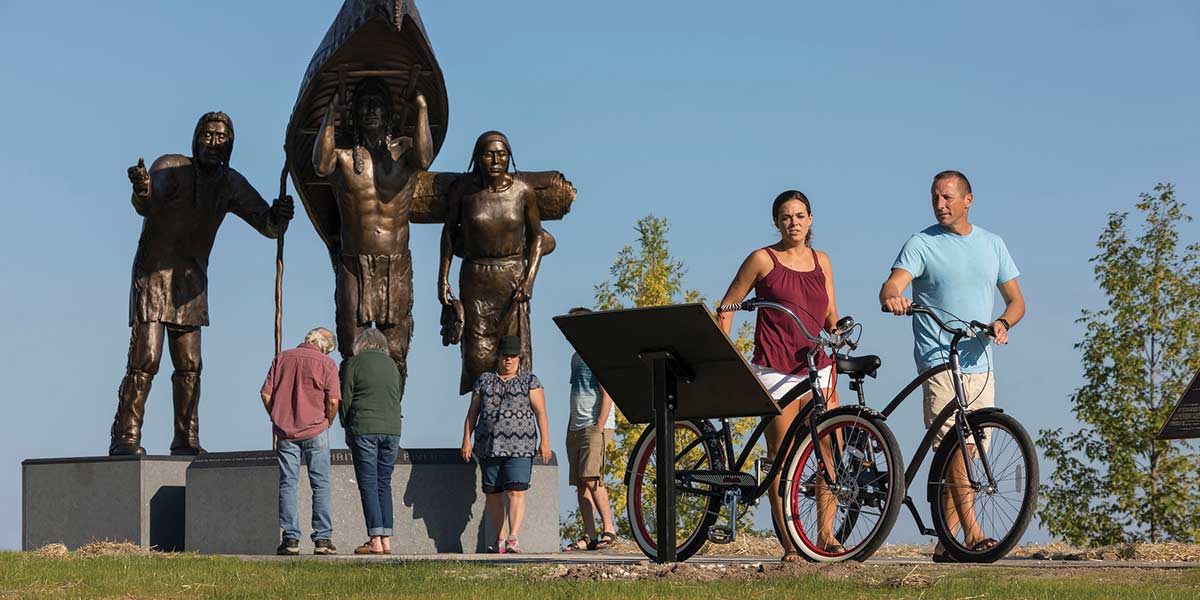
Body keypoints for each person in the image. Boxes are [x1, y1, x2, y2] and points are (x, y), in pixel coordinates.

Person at [111, 111, 294, 456]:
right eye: (207, 136)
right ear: (195, 140)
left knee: (190, 364)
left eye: (221, 137)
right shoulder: (170, 167)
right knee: (146, 357)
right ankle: (126, 435)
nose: (214, 142)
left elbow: (266, 224)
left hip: (190, 283)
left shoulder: (230, 184)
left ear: (231, 144)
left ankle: (186, 437)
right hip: (154, 276)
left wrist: (278, 215)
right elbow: (147, 203)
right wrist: (142, 188)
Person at [879, 170, 1025, 561]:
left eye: (947, 197)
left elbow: (1017, 301)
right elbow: (892, 285)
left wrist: (1003, 323)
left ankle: (946, 543)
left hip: (980, 362)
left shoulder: (992, 244)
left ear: (968, 200)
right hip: (939, 360)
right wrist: (895, 297)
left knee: (969, 453)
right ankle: (974, 536)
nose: (939, 205)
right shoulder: (921, 243)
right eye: (935, 198)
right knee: (957, 448)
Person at [717, 190, 841, 561]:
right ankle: (790, 543)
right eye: (786, 217)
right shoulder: (762, 259)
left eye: (800, 215)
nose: (794, 222)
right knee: (781, 459)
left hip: (819, 367)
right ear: (776, 222)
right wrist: (724, 356)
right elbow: (728, 305)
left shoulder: (823, 261)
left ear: (811, 219)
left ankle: (826, 536)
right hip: (776, 368)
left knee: (827, 456)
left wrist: (839, 332)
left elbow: (831, 313)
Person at [313, 77, 431, 387]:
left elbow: (425, 157)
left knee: (396, 349)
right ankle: (354, 422)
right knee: (352, 346)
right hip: (354, 263)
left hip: (395, 264)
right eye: (364, 105)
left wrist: (421, 108)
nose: (371, 111)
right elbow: (320, 165)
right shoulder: (342, 156)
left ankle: (392, 416)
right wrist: (331, 113)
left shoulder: (404, 151)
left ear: (390, 114)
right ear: (353, 115)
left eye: (378, 104)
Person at [438, 131, 544, 395]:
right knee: (477, 355)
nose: (496, 160)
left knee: (511, 351)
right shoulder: (464, 191)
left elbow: (537, 238)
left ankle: (513, 411)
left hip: (512, 279)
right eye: (489, 154)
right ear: (477, 158)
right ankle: (482, 412)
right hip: (476, 279)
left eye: (502, 154)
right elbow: (449, 233)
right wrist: (442, 278)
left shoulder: (523, 191)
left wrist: (529, 280)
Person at [460, 335, 552, 554]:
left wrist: (545, 442)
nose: (508, 360)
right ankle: (500, 538)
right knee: (492, 492)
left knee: (515, 490)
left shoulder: (531, 381)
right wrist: (466, 439)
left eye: (513, 356)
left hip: (520, 446)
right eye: (505, 356)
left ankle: (513, 537)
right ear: (498, 356)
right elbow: (473, 412)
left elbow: (541, 412)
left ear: (519, 358)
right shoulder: (484, 380)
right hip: (488, 445)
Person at [260, 327, 341, 556]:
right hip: (317, 430)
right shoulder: (326, 364)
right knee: (321, 484)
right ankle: (323, 539)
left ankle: (290, 539)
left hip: (286, 432)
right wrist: (328, 421)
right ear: (324, 347)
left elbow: (266, 394)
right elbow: (333, 401)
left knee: (288, 483)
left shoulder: (282, 357)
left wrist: (276, 415)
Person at [339, 327, 403, 555]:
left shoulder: (353, 364)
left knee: (368, 483)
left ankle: (374, 539)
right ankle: (386, 540)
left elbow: (345, 399)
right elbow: (397, 395)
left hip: (364, 428)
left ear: (361, 345)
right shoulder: (392, 366)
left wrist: (345, 425)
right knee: (383, 482)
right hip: (392, 429)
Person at [562, 307, 618, 552]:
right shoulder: (576, 357)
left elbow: (608, 392)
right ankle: (589, 535)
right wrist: (570, 424)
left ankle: (609, 529)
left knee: (592, 477)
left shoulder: (600, 352)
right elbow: (576, 393)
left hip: (595, 426)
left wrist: (599, 424)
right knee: (580, 483)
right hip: (576, 426)